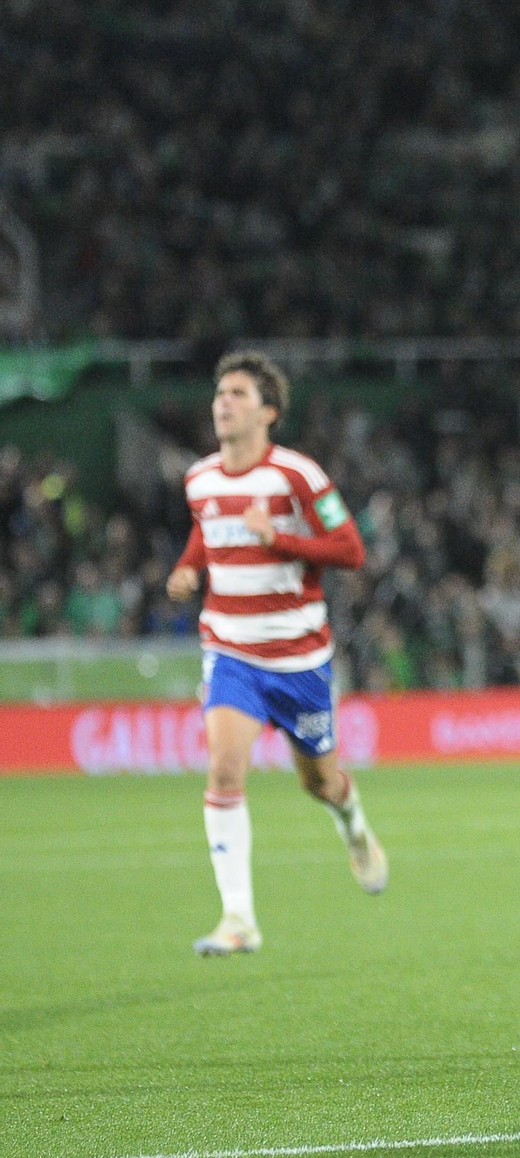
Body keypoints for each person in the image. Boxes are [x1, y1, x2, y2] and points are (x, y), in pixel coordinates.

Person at [167, 352, 385, 956]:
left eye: (237, 393)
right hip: (231, 651)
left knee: (320, 782)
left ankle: (354, 824)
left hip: (299, 658)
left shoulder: (297, 476)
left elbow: (350, 550)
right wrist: (188, 569)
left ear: (268, 412)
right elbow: (204, 534)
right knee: (224, 769)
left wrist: (279, 539)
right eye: (219, 392)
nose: (222, 401)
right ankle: (238, 918)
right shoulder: (200, 479)